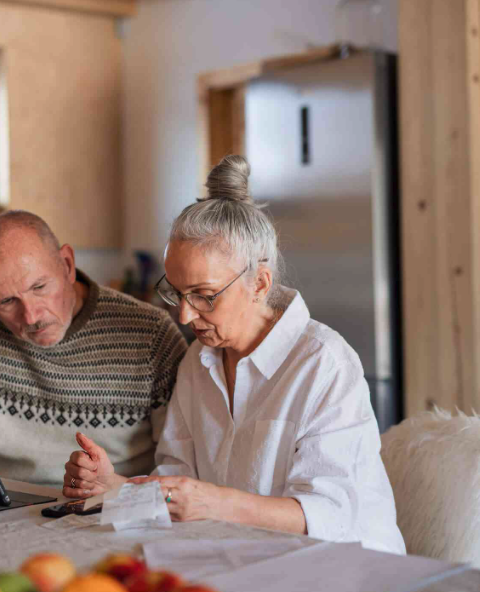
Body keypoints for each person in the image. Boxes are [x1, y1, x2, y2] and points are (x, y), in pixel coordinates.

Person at [63, 155, 406, 554]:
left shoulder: (323, 364)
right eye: (175, 292)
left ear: (259, 284)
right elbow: (178, 486)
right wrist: (115, 486)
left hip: (348, 569)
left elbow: (330, 515)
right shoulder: (198, 361)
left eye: (205, 296)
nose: (186, 315)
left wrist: (214, 503)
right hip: (246, 558)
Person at [0, 210, 187, 487]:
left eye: (39, 287)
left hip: (114, 511)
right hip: (6, 513)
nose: (31, 317)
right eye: (7, 301)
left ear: (67, 265)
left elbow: (182, 472)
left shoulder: (151, 333)